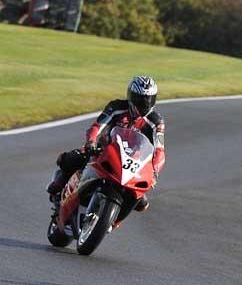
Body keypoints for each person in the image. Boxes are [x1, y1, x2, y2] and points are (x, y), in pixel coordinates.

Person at [46, 76, 165, 211]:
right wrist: (91, 142)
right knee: (71, 158)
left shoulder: (156, 121)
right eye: (140, 99)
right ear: (131, 96)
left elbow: (159, 150)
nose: (144, 104)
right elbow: (97, 126)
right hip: (106, 149)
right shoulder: (116, 107)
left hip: (132, 163)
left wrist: (154, 172)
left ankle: (111, 221)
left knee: (141, 203)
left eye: (149, 100)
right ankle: (60, 182)